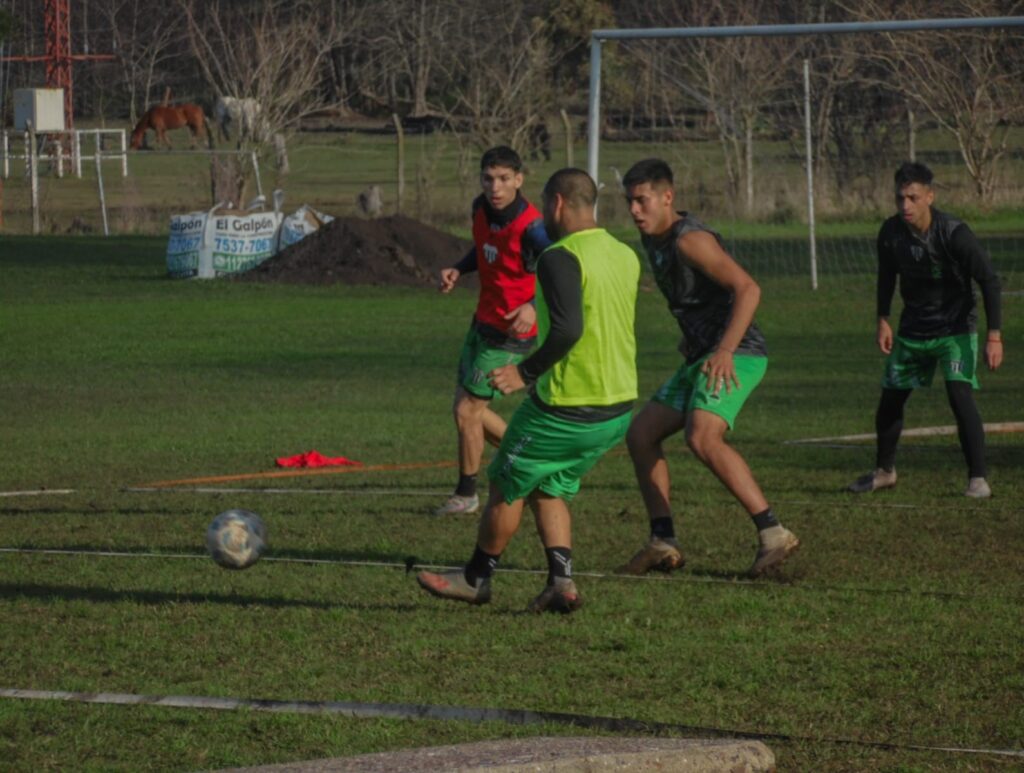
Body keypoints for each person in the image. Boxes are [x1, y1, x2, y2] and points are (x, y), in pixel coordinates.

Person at [418, 168, 640, 613]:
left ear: (556, 203)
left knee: (505, 481)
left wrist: (525, 372)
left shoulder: (560, 255)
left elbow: (568, 329)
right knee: (549, 485)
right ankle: (561, 583)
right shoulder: (624, 253)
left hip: (566, 406)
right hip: (618, 406)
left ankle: (476, 578)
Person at [618, 158, 799, 579]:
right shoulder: (654, 237)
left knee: (702, 436)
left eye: (642, 200)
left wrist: (725, 349)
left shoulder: (689, 240)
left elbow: (748, 288)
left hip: (738, 354)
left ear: (668, 197)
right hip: (701, 355)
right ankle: (662, 541)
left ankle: (773, 533)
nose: (634, 210)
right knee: (641, 435)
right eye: (629, 202)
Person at [848, 161, 1003, 498]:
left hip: (955, 330)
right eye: (900, 198)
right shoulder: (890, 233)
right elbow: (886, 277)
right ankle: (884, 472)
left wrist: (994, 336)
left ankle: (978, 480)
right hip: (913, 331)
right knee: (890, 400)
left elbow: (989, 280)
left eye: (913, 198)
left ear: (929, 197)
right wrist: (882, 318)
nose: (905, 205)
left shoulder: (954, 234)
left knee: (960, 396)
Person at [435, 146, 551, 516]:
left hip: (511, 332)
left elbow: (561, 270)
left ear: (519, 179)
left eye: (503, 179)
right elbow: (484, 249)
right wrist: (459, 268)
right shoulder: (480, 209)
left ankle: (466, 494)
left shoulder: (534, 228)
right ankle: (531, 461)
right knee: (467, 409)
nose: (495, 187)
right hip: (483, 322)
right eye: (488, 178)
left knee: (467, 411)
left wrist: (532, 306)